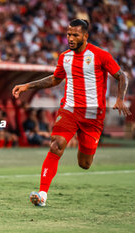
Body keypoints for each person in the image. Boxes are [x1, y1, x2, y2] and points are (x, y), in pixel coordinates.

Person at [12, 19, 132, 207]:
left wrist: (119, 99)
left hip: (93, 116)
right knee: (56, 145)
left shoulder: (100, 55)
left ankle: (84, 146)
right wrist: (27, 85)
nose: (70, 38)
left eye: (75, 35)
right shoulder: (65, 57)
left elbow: (121, 76)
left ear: (85, 36)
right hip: (69, 109)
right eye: (68, 34)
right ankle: (42, 194)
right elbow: (55, 79)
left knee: (84, 164)